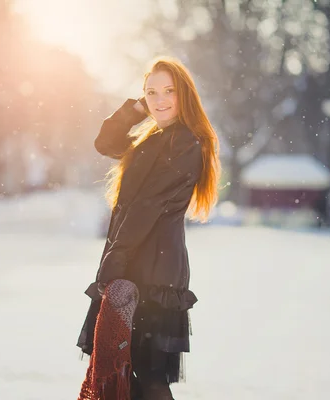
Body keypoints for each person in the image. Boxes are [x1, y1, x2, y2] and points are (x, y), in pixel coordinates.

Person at [77, 56, 221, 400]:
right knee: (130, 375)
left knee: (151, 377)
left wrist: (114, 262)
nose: (160, 100)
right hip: (136, 266)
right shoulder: (153, 139)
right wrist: (134, 111)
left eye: (169, 91)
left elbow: (146, 208)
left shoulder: (184, 142)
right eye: (151, 92)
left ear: (184, 94)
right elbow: (106, 143)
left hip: (153, 274)